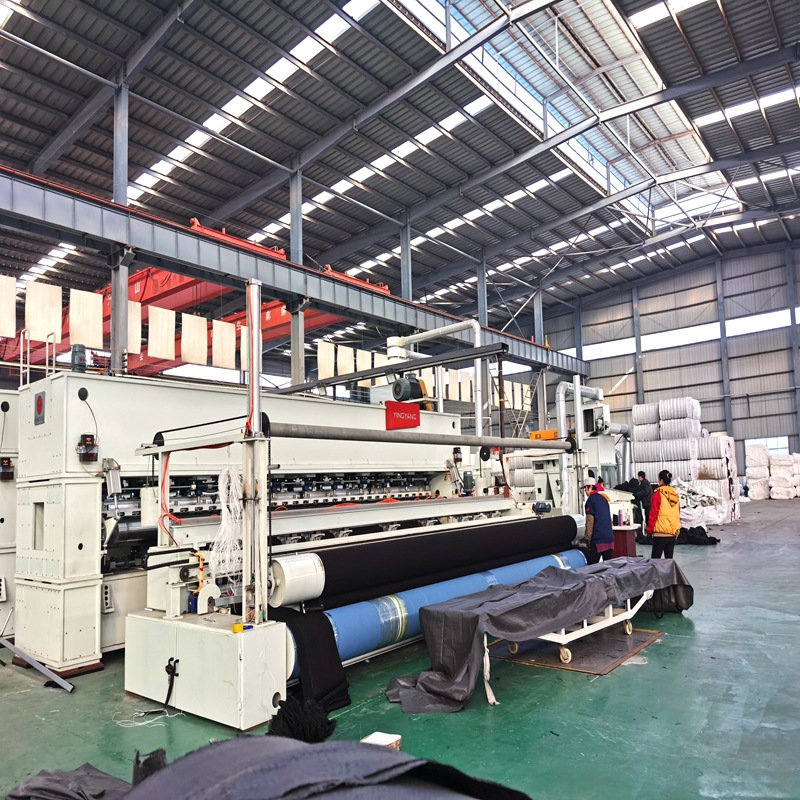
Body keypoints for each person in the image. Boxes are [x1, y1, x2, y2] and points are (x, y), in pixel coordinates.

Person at [647, 469, 680, 559]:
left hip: (660, 534)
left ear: (661, 480)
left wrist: (649, 530)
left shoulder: (658, 494)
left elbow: (653, 513)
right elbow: (678, 513)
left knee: (655, 562)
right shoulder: (675, 495)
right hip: (672, 534)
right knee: (668, 562)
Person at [583, 476, 614, 564]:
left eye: (585, 488)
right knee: (608, 565)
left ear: (590, 487)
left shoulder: (590, 501)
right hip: (609, 538)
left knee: (592, 566)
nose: (585, 491)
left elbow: (590, 521)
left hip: (598, 539)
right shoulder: (603, 499)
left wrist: (587, 538)